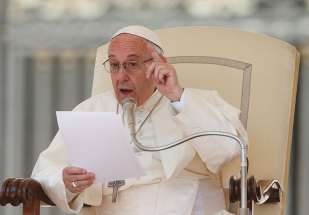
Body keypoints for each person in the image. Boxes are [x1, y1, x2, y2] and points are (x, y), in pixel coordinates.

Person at [31, 25, 247, 215]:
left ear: (155, 64)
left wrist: (176, 95)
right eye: (115, 65)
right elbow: (44, 174)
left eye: (132, 64)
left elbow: (227, 150)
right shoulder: (91, 111)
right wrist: (67, 183)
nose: (121, 76)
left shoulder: (193, 101)